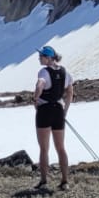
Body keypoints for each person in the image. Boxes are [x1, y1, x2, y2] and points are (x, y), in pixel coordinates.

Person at [32, 44, 74, 190]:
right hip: (58, 110)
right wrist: (65, 110)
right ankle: (65, 181)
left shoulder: (43, 72)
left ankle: (44, 181)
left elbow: (40, 85)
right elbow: (70, 92)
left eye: (41, 56)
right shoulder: (65, 73)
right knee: (61, 147)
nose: (39, 58)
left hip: (45, 111)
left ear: (49, 58)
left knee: (44, 148)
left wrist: (35, 99)